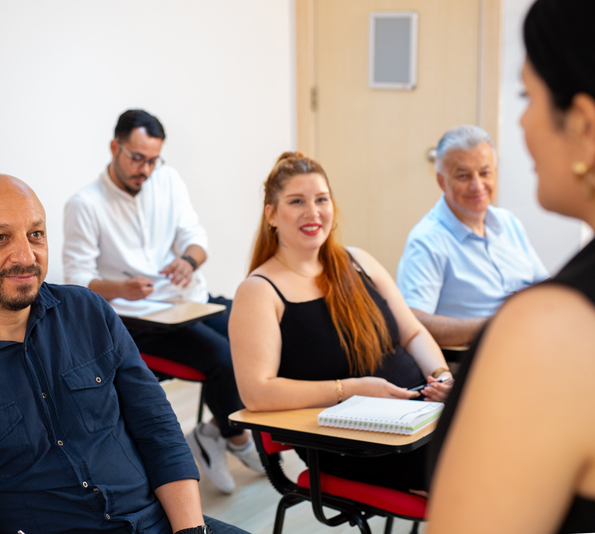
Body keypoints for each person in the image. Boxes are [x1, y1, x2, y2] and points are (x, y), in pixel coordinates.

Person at [0, 174, 247, 534]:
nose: (26, 255)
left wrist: (190, 530)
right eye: (0, 238)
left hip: (157, 522)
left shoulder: (89, 311)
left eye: (36, 234)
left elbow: (157, 426)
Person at [428, 1, 595, 532]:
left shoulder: (550, 330)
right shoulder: (431, 241)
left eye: (527, 96)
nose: (521, 120)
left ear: (584, 123)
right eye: (464, 174)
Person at [63, 109, 262, 494]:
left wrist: (188, 261)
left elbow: (196, 237)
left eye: (153, 160)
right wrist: (120, 289)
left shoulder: (167, 180)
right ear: (115, 147)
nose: (146, 169)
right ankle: (238, 439)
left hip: (188, 300)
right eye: (138, 158)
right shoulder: (85, 204)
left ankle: (212, 432)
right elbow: (77, 281)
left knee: (259, 333)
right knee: (223, 358)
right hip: (140, 320)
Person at [229, 152, 453, 493]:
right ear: (271, 215)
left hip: (419, 417)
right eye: (296, 201)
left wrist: (442, 377)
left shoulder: (359, 261)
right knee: (486, 464)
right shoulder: (258, 291)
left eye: (321, 199)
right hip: (350, 443)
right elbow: (257, 393)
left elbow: (412, 333)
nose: (313, 212)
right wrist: (351, 389)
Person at [396, 125, 547, 347]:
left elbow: (542, 284)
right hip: (478, 356)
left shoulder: (508, 222)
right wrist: (497, 325)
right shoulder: (427, 241)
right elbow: (413, 322)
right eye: (463, 176)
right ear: (441, 181)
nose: (477, 186)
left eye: (485, 173)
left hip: (529, 343)